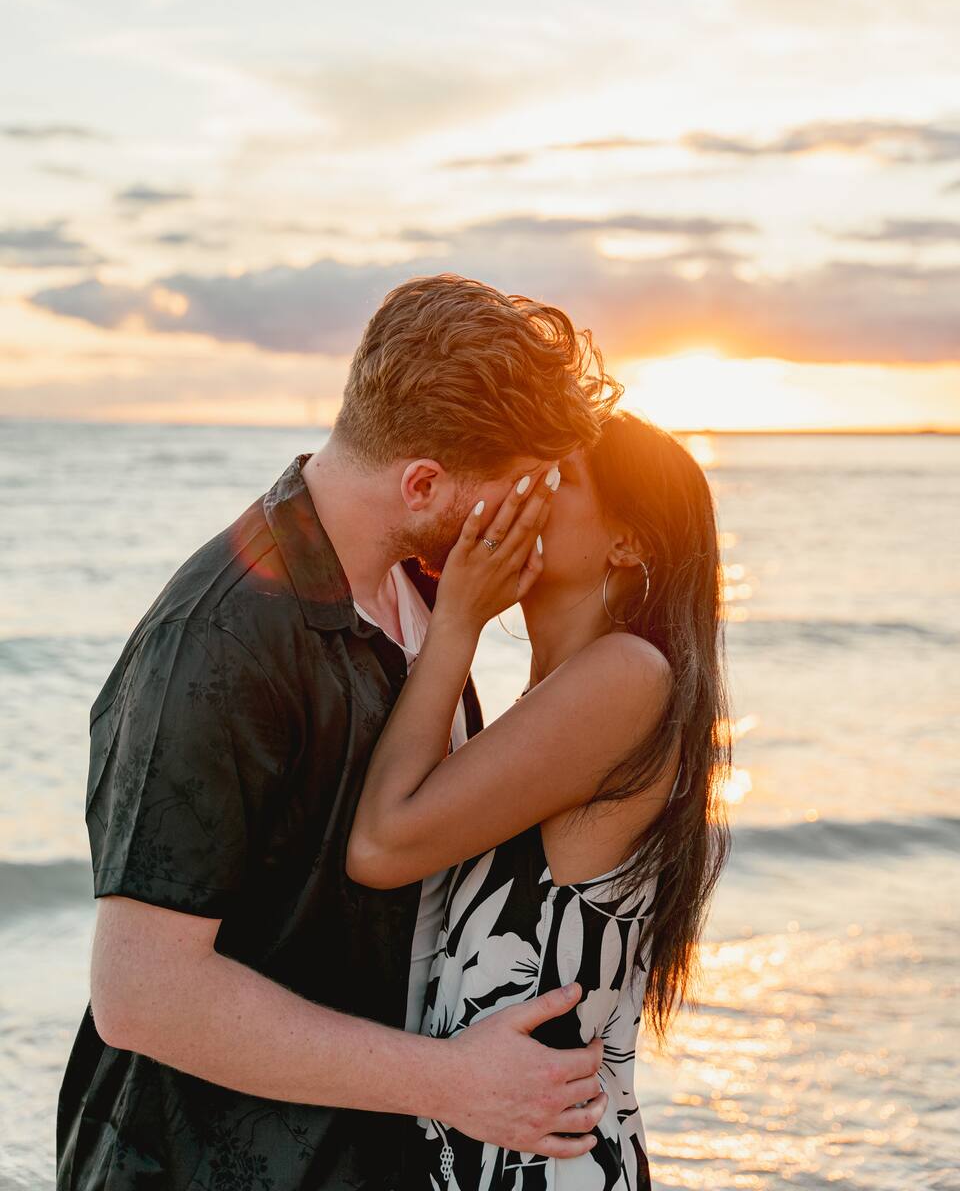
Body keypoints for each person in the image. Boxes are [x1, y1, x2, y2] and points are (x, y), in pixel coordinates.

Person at [56, 273, 623, 1191]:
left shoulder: (425, 595)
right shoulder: (217, 640)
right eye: (516, 489)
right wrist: (449, 1083)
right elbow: (141, 995)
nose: (533, 514)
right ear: (425, 482)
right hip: (198, 1166)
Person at [347, 411, 732, 1189]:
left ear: (628, 542)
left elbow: (381, 847)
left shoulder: (627, 677)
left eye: (559, 475)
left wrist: (455, 621)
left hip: (543, 1168)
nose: (525, 487)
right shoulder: (556, 701)